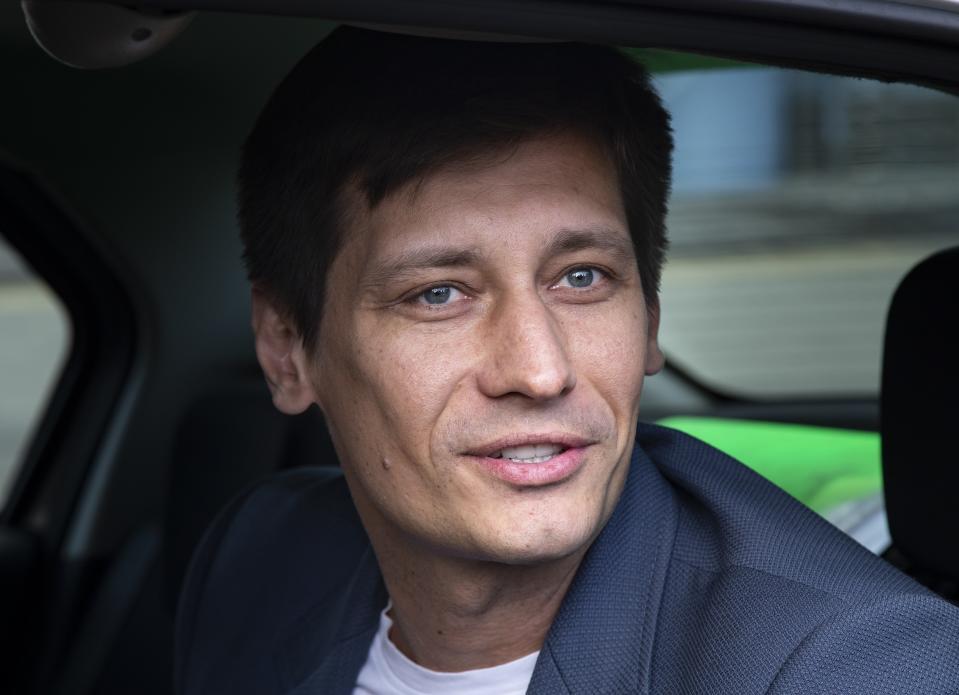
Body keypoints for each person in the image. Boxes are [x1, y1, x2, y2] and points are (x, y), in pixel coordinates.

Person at [175, 26, 959, 695]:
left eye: (581, 277)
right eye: (438, 294)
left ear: (648, 313)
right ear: (287, 349)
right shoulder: (257, 558)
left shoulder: (860, 666)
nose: (539, 370)